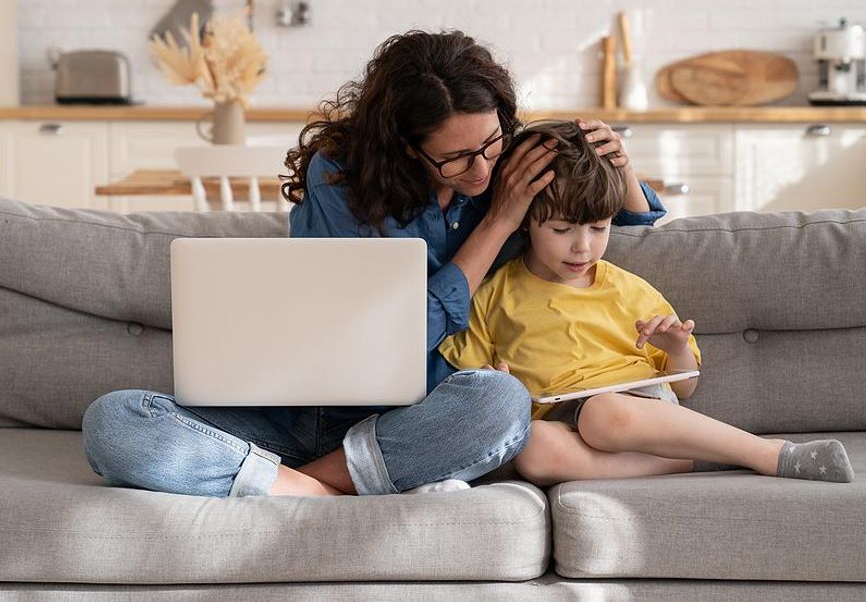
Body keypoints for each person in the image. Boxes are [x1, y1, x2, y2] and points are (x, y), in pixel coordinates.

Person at [82, 30, 668, 498]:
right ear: (407, 146)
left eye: (491, 143)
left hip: (413, 421)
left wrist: (626, 175)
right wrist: (496, 225)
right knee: (115, 422)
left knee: (501, 403)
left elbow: (602, 238)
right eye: (456, 157)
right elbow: (395, 334)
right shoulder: (341, 180)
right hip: (288, 412)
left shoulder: (507, 168)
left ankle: (288, 484)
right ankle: (319, 485)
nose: (483, 171)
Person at [439, 120, 855, 485]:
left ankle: (768, 454)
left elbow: (685, 385)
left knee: (601, 416)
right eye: (562, 229)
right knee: (533, 451)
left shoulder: (626, 288)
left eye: (599, 228)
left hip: (631, 408)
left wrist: (674, 347)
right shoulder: (495, 293)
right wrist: (498, 381)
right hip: (557, 420)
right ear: (527, 220)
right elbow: (472, 376)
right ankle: (694, 462)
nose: (582, 247)